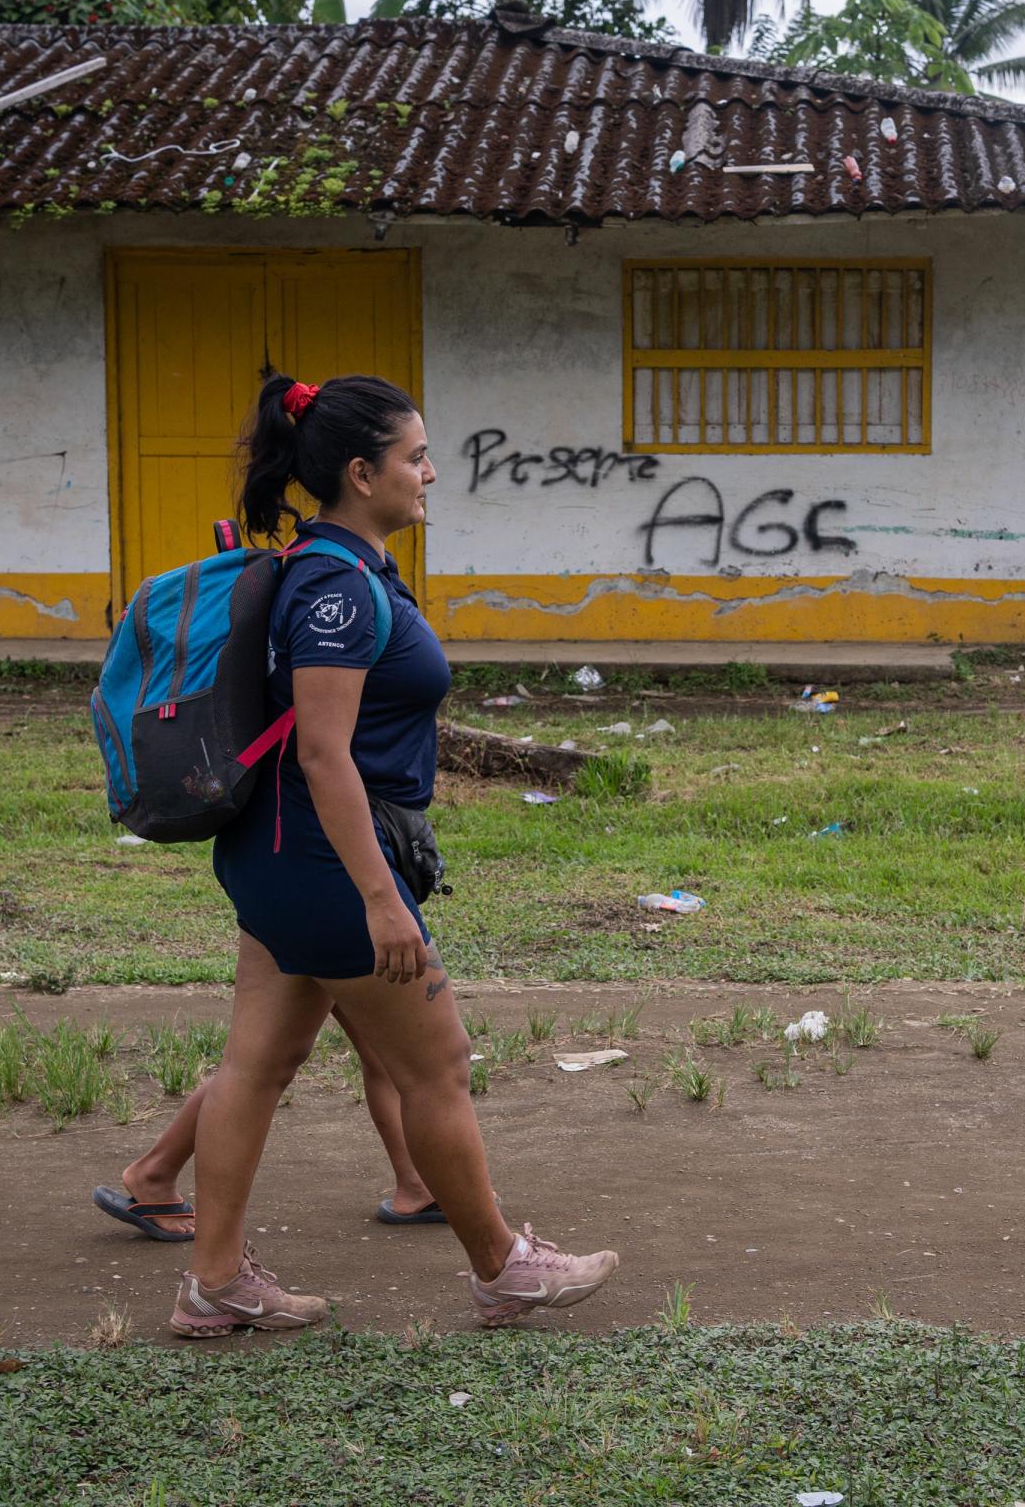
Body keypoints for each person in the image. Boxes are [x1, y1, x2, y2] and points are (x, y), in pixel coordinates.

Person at [154, 372, 618, 1338]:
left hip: (282, 855)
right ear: (362, 474)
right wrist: (379, 895)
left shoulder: (338, 568)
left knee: (256, 1067)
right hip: (324, 862)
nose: (430, 474)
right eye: (414, 458)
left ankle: (214, 1284)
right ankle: (504, 1269)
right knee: (436, 1066)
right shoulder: (334, 587)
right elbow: (323, 752)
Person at [92, 1006, 450, 1240]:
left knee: (378, 1048)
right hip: (330, 911)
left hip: (321, 910)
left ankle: (417, 1184)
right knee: (262, 1062)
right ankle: (156, 1174)